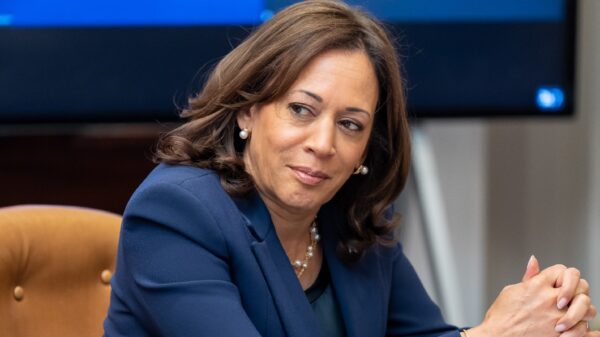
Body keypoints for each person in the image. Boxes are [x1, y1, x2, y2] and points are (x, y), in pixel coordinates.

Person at [103, 1, 598, 336]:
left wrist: (544, 319)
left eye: (351, 124)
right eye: (301, 109)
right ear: (247, 110)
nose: (324, 144)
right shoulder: (174, 214)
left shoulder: (349, 220)